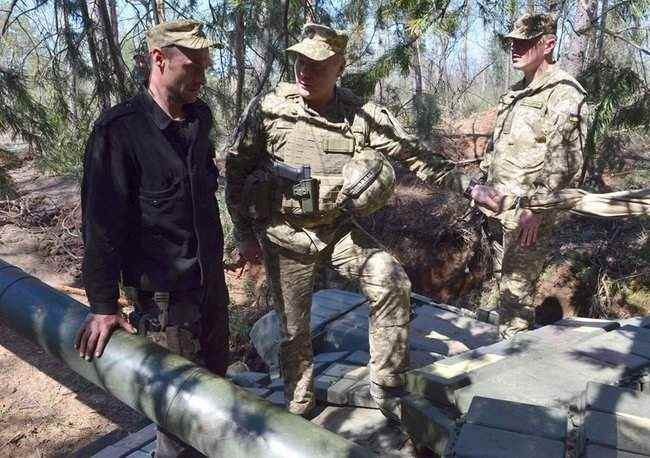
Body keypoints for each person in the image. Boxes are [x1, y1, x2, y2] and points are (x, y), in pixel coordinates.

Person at [225, 23, 502, 421]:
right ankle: (298, 402)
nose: (305, 69)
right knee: (293, 330)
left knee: (390, 279)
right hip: (285, 234)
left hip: (338, 232)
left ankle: (387, 387)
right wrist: (243, 232)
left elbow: (416, 156)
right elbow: (236, 170)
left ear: (339, 67)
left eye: (317, 64)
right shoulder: (270, 110)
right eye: (300, 60)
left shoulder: (361, 116)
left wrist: (471, 186)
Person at [75, 20, 229, 457]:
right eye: (192, 65)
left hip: (211, 290)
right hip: (165, 301)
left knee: (217, 402)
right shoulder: (119, 132)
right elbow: (101, 225)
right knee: (180, 421)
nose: (202, 75)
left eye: (206, 65)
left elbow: (202, 191)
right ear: (158, 60)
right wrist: (103, 306)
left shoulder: (199, 118)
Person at [470, 13, 590, 337]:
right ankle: (505, 355)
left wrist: (536, 210)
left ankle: (510, 376)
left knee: (514, 303)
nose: (515, 48)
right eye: (512, 42)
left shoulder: (565, 94)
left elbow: (566, 165)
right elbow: (497, 149)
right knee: (504, 293)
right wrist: (481, 185)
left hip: (528, 219)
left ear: (548, 44)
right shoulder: (512, 93)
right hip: (497, 213)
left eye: (524, 42)